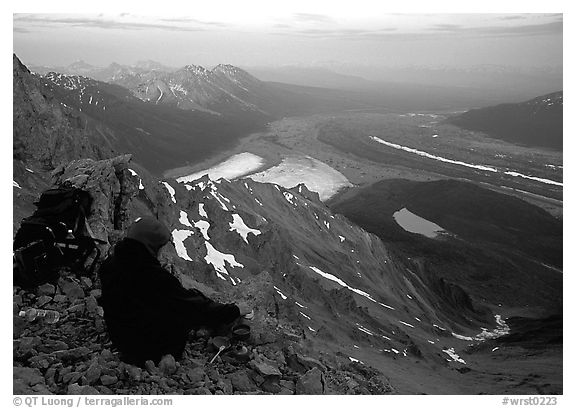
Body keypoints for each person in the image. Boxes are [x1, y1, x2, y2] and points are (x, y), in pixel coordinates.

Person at [98, 216, 251, 366]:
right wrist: (234, 310)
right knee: (189, 307)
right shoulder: (153, 276)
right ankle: (167, 356)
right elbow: (192, 307)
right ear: (152, 246)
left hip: (121, 339)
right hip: (146, 350)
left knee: (183, 299)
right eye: (161, 247)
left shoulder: (110, 264)